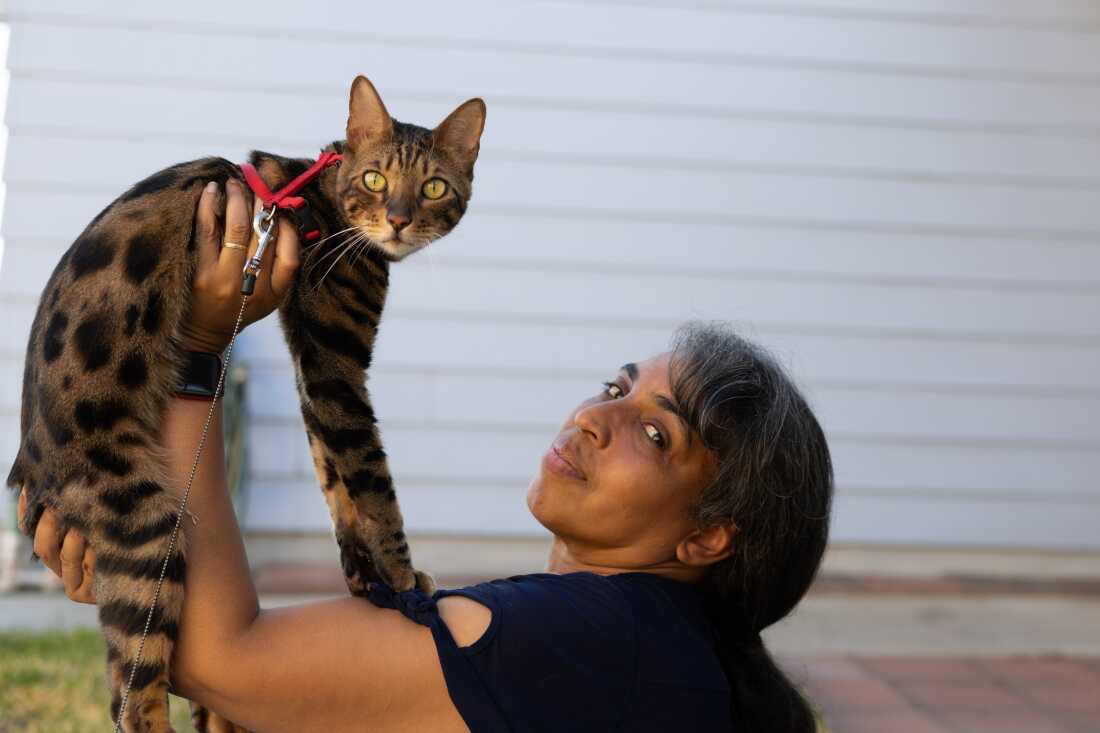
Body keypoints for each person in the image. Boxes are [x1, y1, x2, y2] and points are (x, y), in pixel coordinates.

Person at [19, 178, 834, 732]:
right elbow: (292, 693)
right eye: (615, 387)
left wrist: (196, 349)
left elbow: (228, 659)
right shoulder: (653, 649)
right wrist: (157, 580)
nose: (595, 417)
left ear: (709, 536)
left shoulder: (587, 638)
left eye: (657, 434)